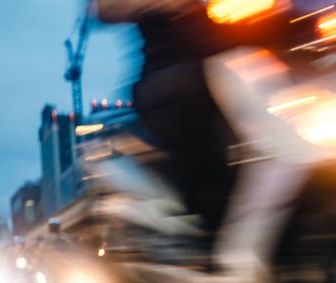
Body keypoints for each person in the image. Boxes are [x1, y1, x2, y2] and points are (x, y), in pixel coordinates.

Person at [96, 0, 246, 233]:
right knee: (213, 177)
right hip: (174, 78)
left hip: (240, 62)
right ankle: (210, 228)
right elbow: (103, 9)